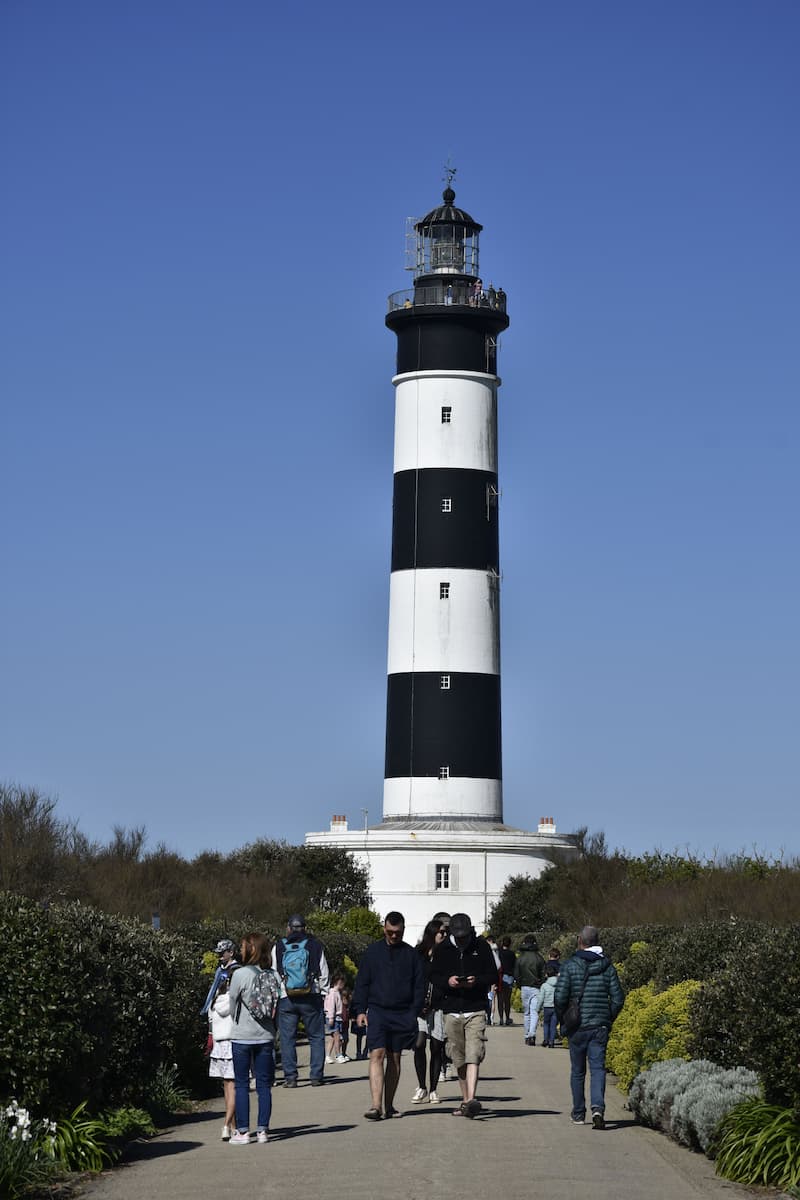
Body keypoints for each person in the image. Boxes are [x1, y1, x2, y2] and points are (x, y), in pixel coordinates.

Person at [352, 911, 426, 1121]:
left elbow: (419, 986)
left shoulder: (411, 955)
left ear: (403, 930)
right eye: (390, 932)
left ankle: (389, 1106)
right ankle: (376, 1106)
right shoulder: (372, 953)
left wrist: (413, 1012)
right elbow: (362, 983)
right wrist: (360, 1010)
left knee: (394, 1058)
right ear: (384, 928)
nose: (394, 936)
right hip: (377, 1011)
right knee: (377, 1054)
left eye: (398, 933)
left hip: (402, 1013)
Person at [554, 924, 624, 1129]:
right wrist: (607, 1017)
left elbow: (559, 997)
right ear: (597, 941)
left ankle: (578, 1113)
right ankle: (598, 1109)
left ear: (580, 941)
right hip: (599, 1026)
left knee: (577, 1071)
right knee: (598, 1069)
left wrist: (563, 1019)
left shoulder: (569, 965)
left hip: (577, 1026)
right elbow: (618, 998)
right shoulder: (607, 967)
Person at [429, 912, 498, 1119]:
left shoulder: (481, 947)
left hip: (475, 1008)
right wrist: (448, 981)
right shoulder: (442, 949)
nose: (461, 940)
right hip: (451, 1010)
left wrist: (475, 982)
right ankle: (466, 1100)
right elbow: (433, 975)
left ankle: (470, 1100)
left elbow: (492, 975)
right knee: (458, 1058)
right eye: (458, 937)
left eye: (465, 936)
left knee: (473, 1054)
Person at [227, 931, 280, 1145]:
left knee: (241, 1084)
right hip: (265, 1036)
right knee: (264, 1085)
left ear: (250, 949)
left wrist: (236, 1021)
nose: (240, 950)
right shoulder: (273, 974)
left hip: (242, 1036)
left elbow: (232, 1002)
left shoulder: (240, 974)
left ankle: (242, 1132)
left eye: (242, 947)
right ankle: (262, 1131)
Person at [271, 914, 329, 1087]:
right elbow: (323, 972)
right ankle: (316, 1076)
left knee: (287, 1039)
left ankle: (290, 1078)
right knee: (316, 1037)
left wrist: (279, 993)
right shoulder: (315, 945)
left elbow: (274, 972)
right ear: (305, 928)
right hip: (311, 995)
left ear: (289, 928)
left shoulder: (279, 946)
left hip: (286, 997)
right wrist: (323, 993)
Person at [412, 919, 447, 1104]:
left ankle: (433, 1089)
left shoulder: (447, 954)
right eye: (441, 932)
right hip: (420, 1006)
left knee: (436, 1047)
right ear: (433, 933)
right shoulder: (418, 953)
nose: (444, 935)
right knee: (418, 1044)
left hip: (438, 1006)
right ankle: (421, 1086)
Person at [208, 979, 236, 1139]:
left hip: (218, 1048)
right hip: (232, 1045)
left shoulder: (213, 1002)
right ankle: (226, 1125)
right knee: (234, 1088)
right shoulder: (234, 1001)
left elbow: (210, 1025)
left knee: (227, 1088)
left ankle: (233, 1127)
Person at [514, 934, 546, 1045]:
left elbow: (516, 974)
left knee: (526, 1013)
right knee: (534, 1012)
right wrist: (540, 983)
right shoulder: (539, 957)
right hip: (536, 987)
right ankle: (532, 1034)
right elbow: (543, 973)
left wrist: (519, 985)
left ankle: (527, 1035)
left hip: (524, 987)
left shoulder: (520, 957)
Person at [200, 938, 239, 1014]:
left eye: (222, 953)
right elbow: (213, 988)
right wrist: (206, 1007)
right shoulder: (220, 969)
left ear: (231, 953)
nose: (220, 955)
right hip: (215, 1007)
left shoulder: (236, 970)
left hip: (229, 1009)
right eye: (219, 953)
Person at [324, 972, 349, 1064]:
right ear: (338, 981)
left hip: (336, 1017)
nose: (343, 984)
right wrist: (331, 1017)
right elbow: (331, 1006)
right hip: (333, 1017)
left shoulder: (337, 992)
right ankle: (338, 1055)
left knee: (333, 1037)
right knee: (337, 1037)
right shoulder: (332, 993)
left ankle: (327, 1056)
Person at [535, 961, 560, 1048]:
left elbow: (541, 998)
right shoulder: (559, 985)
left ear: (546, 975)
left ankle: (546, 1039)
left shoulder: (544, 985)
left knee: (546, 1024)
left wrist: (537, 1009)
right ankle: (551, 1042)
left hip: (547, 1007)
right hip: (556, 1007)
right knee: (553, 1025)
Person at [497, 936, 516, 1026]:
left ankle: (501, 1019)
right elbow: (515, 966)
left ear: (502, 943)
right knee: (507, 1000)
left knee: (500, 999)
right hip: (509, 977)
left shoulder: (499, 953)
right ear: (510, 944)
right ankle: (507, 1018)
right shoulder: (512, 954)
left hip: (500, 977)